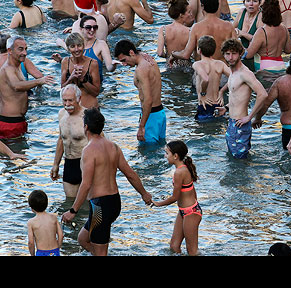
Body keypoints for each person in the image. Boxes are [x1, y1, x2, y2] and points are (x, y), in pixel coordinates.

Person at [60, 107, 153, 256]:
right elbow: (130, 174)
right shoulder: (113, 147)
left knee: (100, 251)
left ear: (86, 127)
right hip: (114, 202)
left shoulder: (89, 150)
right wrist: (144, 193)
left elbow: (86, 184)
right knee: (83, 239)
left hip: (99, 206)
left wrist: (73, 211)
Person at [215, 38, 268, 159]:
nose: (231, 57)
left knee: (240, 161)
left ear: (240, 54)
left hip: (240, 124)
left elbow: (263, 94)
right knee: (234, 159)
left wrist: (250, 117)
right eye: (227, 54)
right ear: (223, 55)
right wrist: (226, 108)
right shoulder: (233, 72)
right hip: (232, 123)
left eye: (234, 53)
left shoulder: (245, 73)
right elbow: (237, 97)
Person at [0, 35, 55, 139]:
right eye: (20, 49)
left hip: (20, 121)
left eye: (26, 49)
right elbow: (16, 86)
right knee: (11, 155)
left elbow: (38, 76)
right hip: (9, 123)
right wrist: (38, 81)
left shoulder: (18, 66)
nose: (25, 53)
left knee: (22, 154)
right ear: (9, 50)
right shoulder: (7, 68)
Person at [152, 140, 202, 256]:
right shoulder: (183, 168)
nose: (165, 156)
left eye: (167, 153)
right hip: (184, 212)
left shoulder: (179, 172)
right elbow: (192, 190)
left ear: (175, 156)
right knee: (174, 246)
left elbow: (175, 197)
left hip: (191, 213)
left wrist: (158, 204)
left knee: (192, 252)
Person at [114, 40, 165, 144]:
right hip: (160, 114)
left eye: (124, 60)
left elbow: (148, 100)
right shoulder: (147, 57)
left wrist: (141, 126)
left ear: (131, 52)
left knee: (147, 155)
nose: (124, 64)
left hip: (150, 117)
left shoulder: (140, 70)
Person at [172, 0, 237, 63]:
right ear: (218, 6)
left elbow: (185, 54)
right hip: (223, 69)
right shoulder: (228, 26)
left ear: (202, 6)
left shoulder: (196, 27)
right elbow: (239, 51)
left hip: (203, 69)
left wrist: (173, 54)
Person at [0, 32, 43, 99]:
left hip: (3, 98)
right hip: (24, 95)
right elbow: (40, 77)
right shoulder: (23, 60)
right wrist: (37, 92)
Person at [51, 84, 88, 198]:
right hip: (69, 163)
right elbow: (61, 140)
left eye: (70, 101)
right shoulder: (61, 114)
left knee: (87, 205)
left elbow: (99, 142)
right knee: (70, 202)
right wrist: (55, 164)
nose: (67, 104)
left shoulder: (87, 116)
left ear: (79, 99)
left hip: (86, 164)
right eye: (65, 101)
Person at [244, 0, 291, 75]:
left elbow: (249, 55)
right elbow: (288, 50)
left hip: (265, 68)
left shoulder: (262, 31)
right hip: (281, 66)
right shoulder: (284, 28)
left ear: (263, 14)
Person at [192, 35, 231, 122]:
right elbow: (234, 76)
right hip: (218, 104)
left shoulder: (198, 64)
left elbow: (205, 79)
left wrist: (202, 94)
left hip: (205, 104)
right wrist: (222, 91)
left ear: (199, 50)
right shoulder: (220, 64)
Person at [60, 33, 101, 109]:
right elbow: (62, 89)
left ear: (83, 46)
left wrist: (82, 79)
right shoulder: (65, 62)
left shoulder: (93, 63)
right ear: (68, 49)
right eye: (72, 46)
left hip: (90, 109)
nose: (76, 49)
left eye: (79, 45)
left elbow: (96, 92)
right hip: (71, 109)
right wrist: (71, 78)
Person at [156, 0, 194, 70]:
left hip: (170, 67)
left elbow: (160, 53)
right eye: (188, 12)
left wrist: (168, 56)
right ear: (181, 15)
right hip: (186, 68)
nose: (191, 14)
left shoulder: (163, 29)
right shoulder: (190, 31)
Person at [232, 0, 262, 71]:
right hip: (241, 54)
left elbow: (260, 40)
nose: (251, 4)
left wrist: (242, 34)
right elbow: (230, 30)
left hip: (255, 57)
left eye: (255, 1)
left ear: (259, 3)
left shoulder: (260, 16)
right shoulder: (242, 12)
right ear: (244, 2)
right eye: (248, 0)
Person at [27, 190, 63, 256]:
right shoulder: (53, 217)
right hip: (55, 251)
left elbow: (31, 242)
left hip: (41, 253)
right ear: (46, 204)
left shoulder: (31, 222)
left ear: (32, 208)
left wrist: (32, 255)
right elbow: (61, 235)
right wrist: (58, 247)